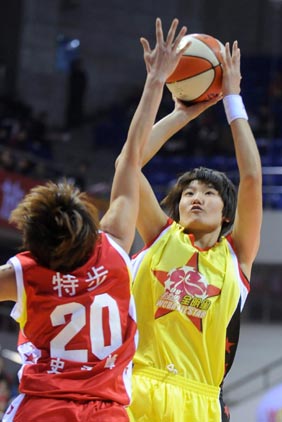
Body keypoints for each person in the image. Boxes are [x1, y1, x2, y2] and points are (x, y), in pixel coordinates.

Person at [0, 17, 190, 422]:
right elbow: (130, 159)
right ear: (88, 223)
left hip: (42, 408)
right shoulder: (114, 245)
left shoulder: (25, 270)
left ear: (34, 242)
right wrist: (156, 79)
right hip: (107, 411)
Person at [127, 41, 263, 421]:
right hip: (135, 386)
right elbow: (129, 165)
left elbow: (251, 178)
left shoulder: (236, 257)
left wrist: (232, 99)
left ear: (226, 215)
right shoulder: (158, 234)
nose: (195, 198)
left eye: (208, 193)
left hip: (200, 400)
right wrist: (181, 115)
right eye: (188, 193)